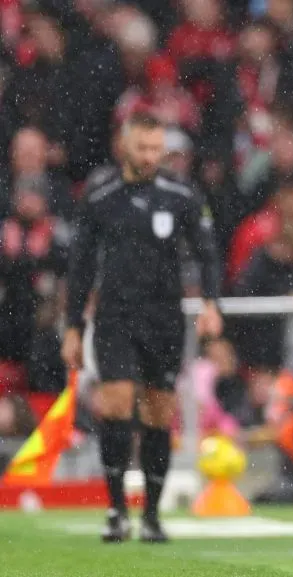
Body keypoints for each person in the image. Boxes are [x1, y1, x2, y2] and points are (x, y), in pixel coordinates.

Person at [62, 111, 223, 543]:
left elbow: (207, 253)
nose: (151, 156)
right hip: (114, 316)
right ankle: (116, 511)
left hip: (164, 319)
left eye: (157, 149)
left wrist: (211, 303)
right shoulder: (100, 197)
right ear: (125, 146)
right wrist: (73, 327)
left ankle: (151, 516)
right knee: (115, 404)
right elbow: (79, 269)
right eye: (143, 148)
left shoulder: (181, 194)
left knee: (158, 412)